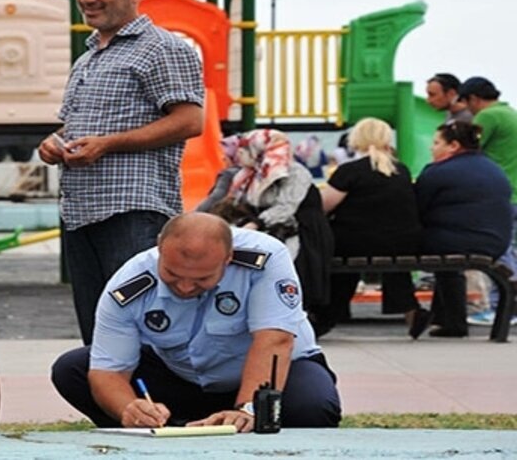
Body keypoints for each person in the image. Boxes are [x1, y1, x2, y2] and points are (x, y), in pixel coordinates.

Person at [36, 0, 205, 344]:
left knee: (141, 327)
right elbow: (84, 125)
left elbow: (189, 121)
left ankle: (153, 405)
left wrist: (108, 145)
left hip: (132, 209)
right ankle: (111, 407)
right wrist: (55, 142)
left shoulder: (163, 48)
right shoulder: (89, 56)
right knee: (98, 332)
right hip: (81, 209)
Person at [51, 213, 341, 431]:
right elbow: (108, 371)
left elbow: (274, 340)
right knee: (72, 368)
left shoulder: (265, 258)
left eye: (202, 278)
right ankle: (173, 431)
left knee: (311, 405)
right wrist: (128, 408)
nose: (186, 287)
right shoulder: (130, 284)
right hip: (184, 378)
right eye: (173, 275)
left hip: (269, 375)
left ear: (228, 259)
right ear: (159, 249)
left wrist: (249, 409)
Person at [312, 118, 425, 338]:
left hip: (355, 241)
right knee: (393, 262)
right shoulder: (400, 170)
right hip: (403, 242)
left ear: (356, 140)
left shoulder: (349, 171)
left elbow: (323, 207)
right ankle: (412, 310)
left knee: (340, 263)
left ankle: (327, 315)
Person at [414, 122, 513, 337]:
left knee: (398, 241)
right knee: (447, 260)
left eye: (437, 143)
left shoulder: (437, 172)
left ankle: (414, 310)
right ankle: (446, 320)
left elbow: (416, 210)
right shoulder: (493, 168)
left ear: (453, 146)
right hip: (496, 243)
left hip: (455, 242)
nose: (432, 148)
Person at [222, 129, 334, 313]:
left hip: (300, 231)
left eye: (246, 149)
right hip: (268, 229)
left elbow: (286, 206)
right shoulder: (249, 175)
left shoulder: (294, 172)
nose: (240, 154)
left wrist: (256, 223)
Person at [457, 76, 517, 325]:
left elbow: (468, 148)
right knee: (512, 249)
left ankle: (503, 308)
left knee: (500, 252)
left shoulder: (487, 117)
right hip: (514, 190)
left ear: (474, 98)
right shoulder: (510, 113)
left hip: (500, 194)